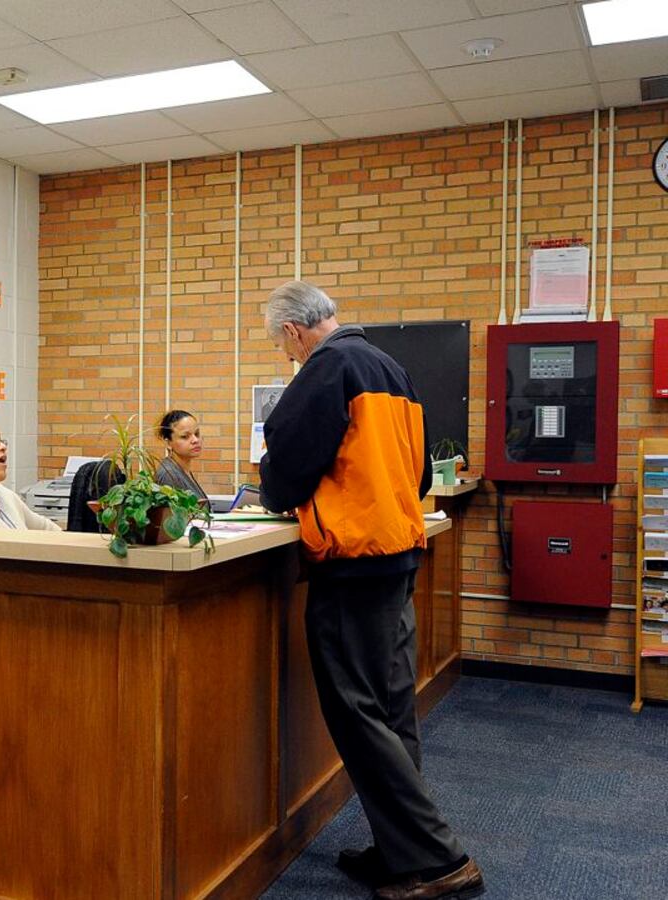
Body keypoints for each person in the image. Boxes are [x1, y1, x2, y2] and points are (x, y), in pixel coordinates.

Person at [257, 281, 483, 900]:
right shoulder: (390, 367)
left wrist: (276, 488)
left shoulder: (325, 370)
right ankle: (401, 850)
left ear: (294, 331)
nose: (286, 354)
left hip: (352, 563)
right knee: (390, 707)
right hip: (398, 554)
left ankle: (438, 859)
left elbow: (286, 469)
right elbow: (418, 473)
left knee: (355, 711)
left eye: (282, 345)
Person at [152, 409, 207, 500]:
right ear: (168, 443)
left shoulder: (182, 470)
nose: (195, 440)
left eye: (197, 434)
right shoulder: (168, 475)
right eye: (185, 436)